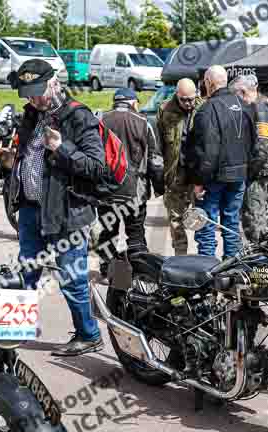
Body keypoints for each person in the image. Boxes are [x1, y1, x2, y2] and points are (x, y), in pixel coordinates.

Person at [9, 59, 105, 356]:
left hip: (67, 212)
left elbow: (95, 166)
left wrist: (62, 148)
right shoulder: (31, 114)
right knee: (26, 270)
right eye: (28, 93)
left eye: (37, 91)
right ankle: (13, 330)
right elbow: (27, 156)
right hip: (31, 208)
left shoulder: (78, 116)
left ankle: (89, 334)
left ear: (54, 83)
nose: (32, 98)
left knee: (71, 278)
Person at [189, 65, 260, 259]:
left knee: (207, 224)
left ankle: (208, 271)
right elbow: (255, 146)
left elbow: (207, 151)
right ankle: (232, 269)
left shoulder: (207, 109)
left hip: (214, 177)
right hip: (238, 175)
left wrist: (199, 182)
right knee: (231, 223)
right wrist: (247, 174)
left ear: (209, 83)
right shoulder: (245, 106)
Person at [97, 88, 164, 276]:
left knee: (108, 232)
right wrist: (159, 188)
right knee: (135, 233)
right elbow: (155, 161)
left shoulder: (100, 120)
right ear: (133, 102)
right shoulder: (143, 122)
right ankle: (138, 271)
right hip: (135, 191)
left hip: (105, 191)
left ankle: (106, 270)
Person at [157, 78, 205, 255]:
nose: (188, 103)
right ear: (176, 94)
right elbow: (160, 144)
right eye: (184, 99)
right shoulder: (165, 109)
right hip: (175, 171)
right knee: (175, 218)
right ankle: (180, 255)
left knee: (202, 216)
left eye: (191, 99)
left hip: (199, 173)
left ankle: (204, 256)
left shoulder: (204, 107)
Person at [231, 74, 268, 242]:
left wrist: (249, 172)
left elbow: (261, 148)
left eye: (236, 95)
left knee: (254, 218)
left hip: (259, 172)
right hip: (261, 169)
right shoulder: (259, 106)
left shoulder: (258, 108)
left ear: (243, 91)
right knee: (253, 215)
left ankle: (259, 257)